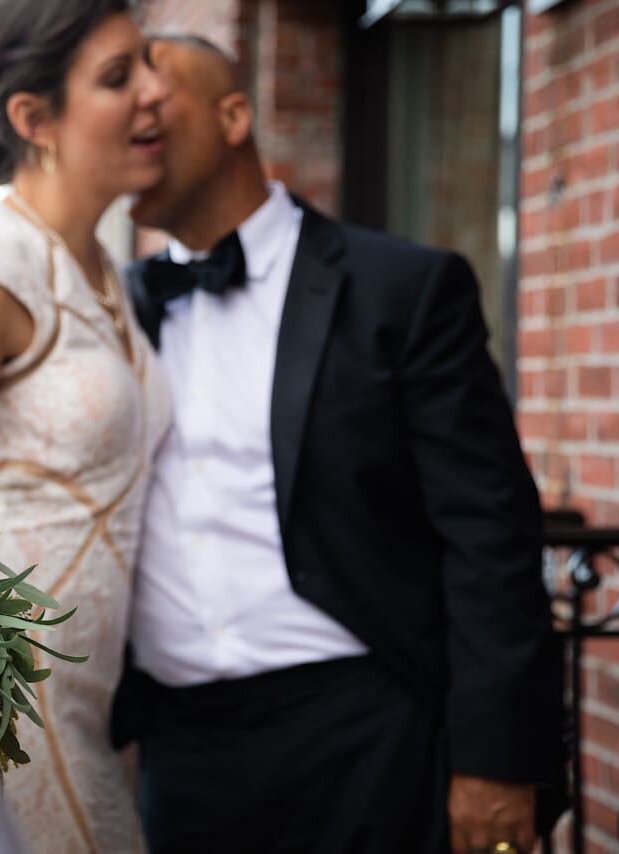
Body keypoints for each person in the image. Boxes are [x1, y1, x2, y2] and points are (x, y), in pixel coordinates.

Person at [113, 34, 564, 853]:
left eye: (153, 80)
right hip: (178, 753)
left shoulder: (404, 288)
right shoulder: (112, 310)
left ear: (235, 114)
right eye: (116, 84)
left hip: (367, 732)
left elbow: (488, 534)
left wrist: (498, 760)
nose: (130, 102)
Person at [0, 0, 172, 850]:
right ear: (34, 118)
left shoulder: (106, 270)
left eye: (150, 65)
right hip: (9, 717)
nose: (156, 93)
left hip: (94, 709)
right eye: (117, 76)